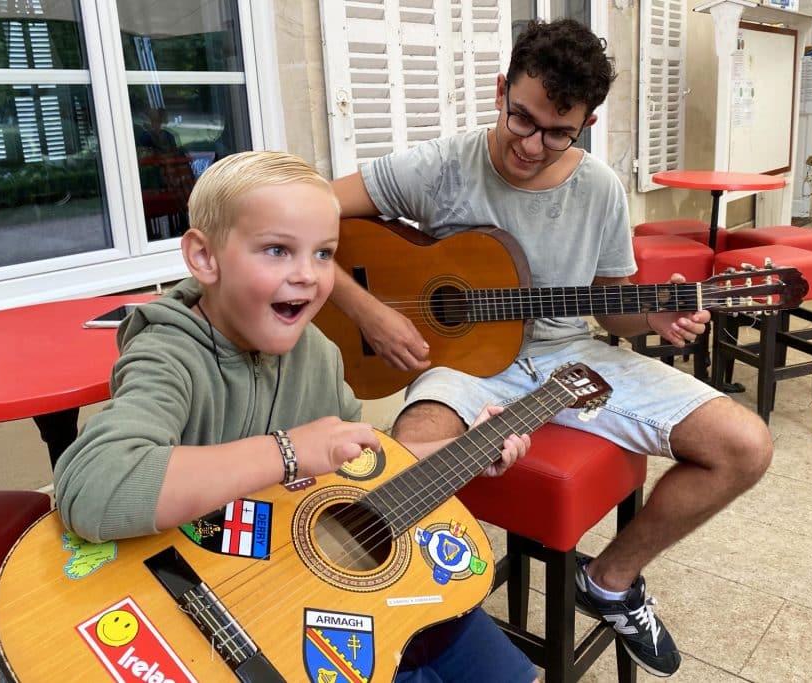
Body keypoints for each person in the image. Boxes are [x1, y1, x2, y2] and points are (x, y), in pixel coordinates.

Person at [329, 19, 774, 678]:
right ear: (502, 88)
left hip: (575, 357)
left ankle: (612, 579)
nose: (533, 146)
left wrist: (654, 312)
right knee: (409, 466)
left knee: (747, 444)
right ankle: (416, 628)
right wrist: (366, 309)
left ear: (587, 122)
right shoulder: (443, 164)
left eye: (558, 131)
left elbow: (613, 313)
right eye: (522, 119)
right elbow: (304, 212)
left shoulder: (598, 190)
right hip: (466, 368)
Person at [54, 150, 539, 683]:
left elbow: (362, 466)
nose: (307, 276)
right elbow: (93, 489)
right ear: (204, 257)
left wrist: (466, 449)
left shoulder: (319, 355)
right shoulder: (168, 354)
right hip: (194, 610)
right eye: (278, 250)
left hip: (294, 588)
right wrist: (288, 452)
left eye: (324, 253)